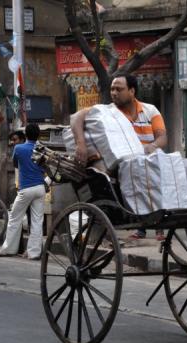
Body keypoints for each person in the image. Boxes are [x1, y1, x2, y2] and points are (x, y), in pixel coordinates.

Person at [71, 74, 167, 241]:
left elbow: (162, 138)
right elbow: (76, 117)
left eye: (119, 89)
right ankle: (141, 225)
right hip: (124, 164)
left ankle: (160, 222)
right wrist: (81, 143)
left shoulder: (150, 110)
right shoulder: (107, 112)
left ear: (131, 91)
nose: (114, 93)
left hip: (148, 159)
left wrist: (150, 147)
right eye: (112, 89)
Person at [0, 124, 46, 260]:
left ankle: (7, 250)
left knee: (14, 218)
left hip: (26, 189)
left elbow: (16, 164)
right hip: (40, 188)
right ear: (38, 135)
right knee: (37, 221)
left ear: (26, 135)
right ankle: (34, 253)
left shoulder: (19, 148)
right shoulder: (42, 149)